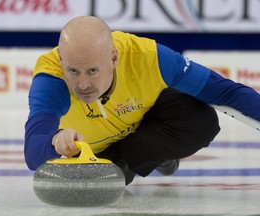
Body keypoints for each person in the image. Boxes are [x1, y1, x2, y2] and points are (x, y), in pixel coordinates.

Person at [24, 16, 260, 185]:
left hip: (147, 119)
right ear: (61, 60)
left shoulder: (147, 57)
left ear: (114, 57)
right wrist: (55, 140)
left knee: (200, 120)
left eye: (93, 71)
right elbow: (33, 153)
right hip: (101, 153)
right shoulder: (51, 79)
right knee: (104, 176)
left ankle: (151, 157)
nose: (83, 85)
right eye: (73, 71)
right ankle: (140, 160)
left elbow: (226, 93)